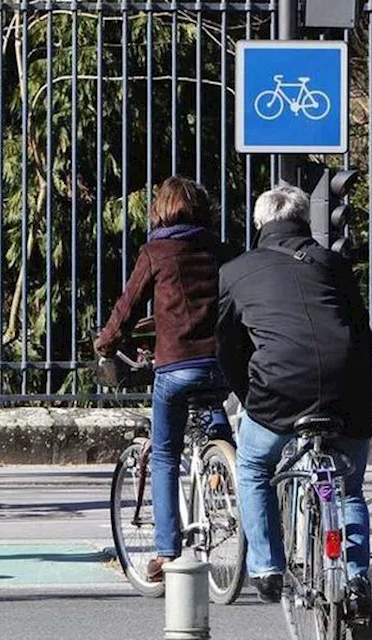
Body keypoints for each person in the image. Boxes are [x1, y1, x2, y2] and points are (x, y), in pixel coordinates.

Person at [216, 185, 372, 640]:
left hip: (277, 392)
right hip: (349, 393)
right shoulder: (333, 264)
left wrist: (248, 395)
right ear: (306, 222)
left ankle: (266, 566)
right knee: (348, 488)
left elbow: (227, 347)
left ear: (259, 224)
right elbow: (362, 336)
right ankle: (354, 578)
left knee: (252, 465)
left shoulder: (235, 271)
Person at [93, 175, 235, 582]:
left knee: (166, 455)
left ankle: (167, 550)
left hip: (175, 365)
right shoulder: (219, 250)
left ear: (161, 210)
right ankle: (225, 470)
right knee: (213, 408)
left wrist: (105, 343)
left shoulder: (156, 252)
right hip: (220, 364)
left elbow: (127, 307)